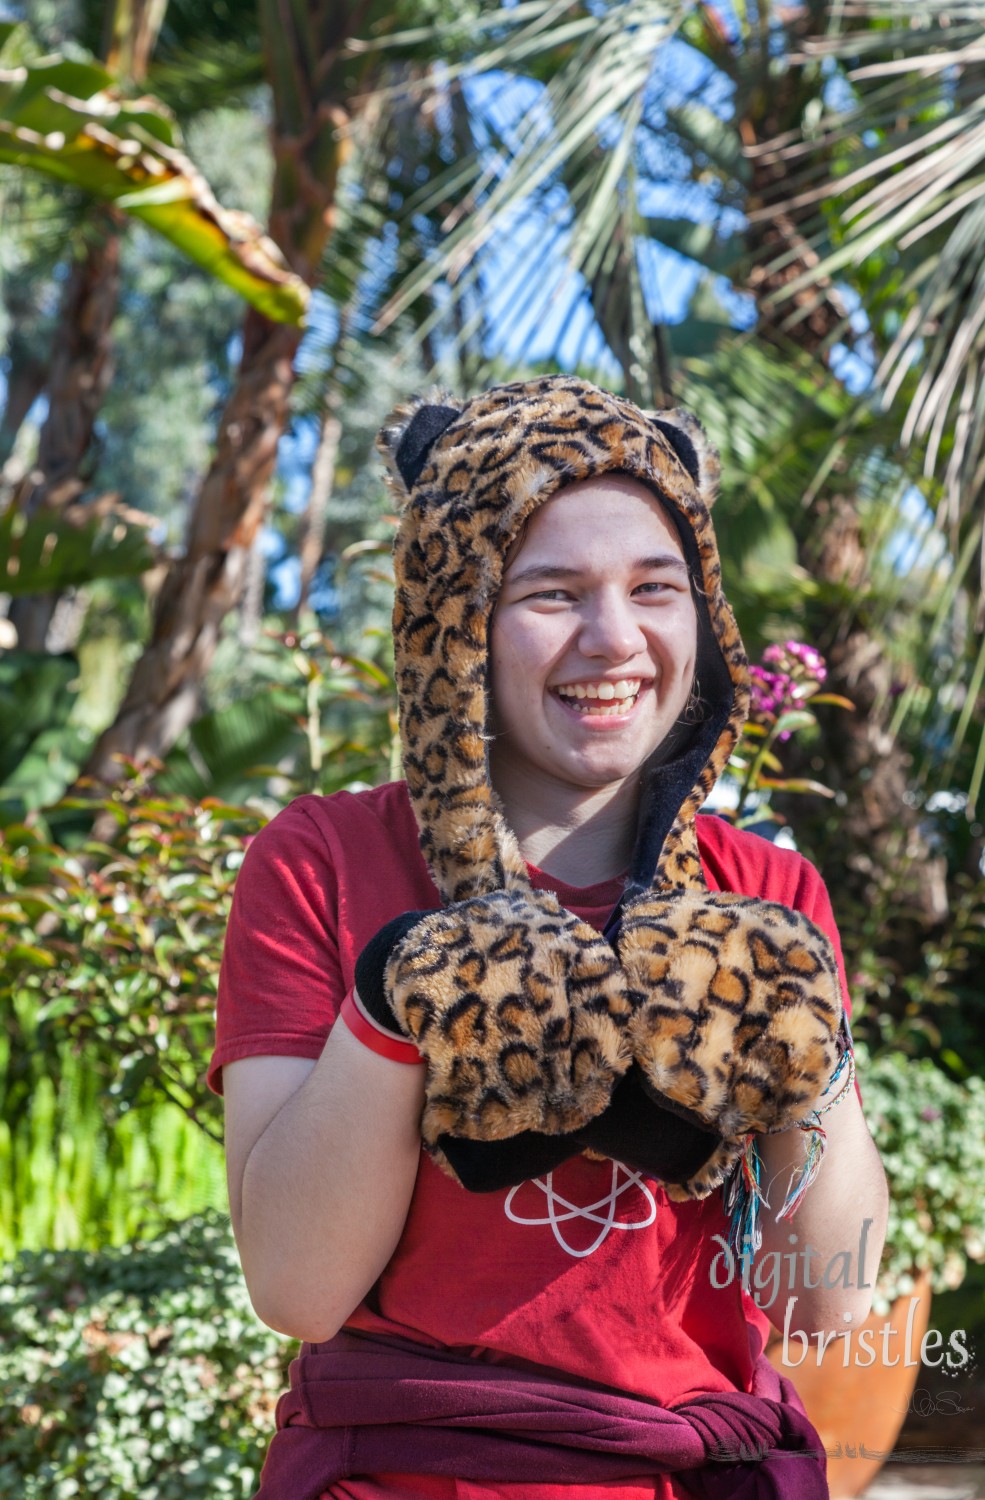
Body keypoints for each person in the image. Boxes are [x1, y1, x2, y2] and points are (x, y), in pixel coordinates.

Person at [210, 375, 888, 1500]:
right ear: (457, 617)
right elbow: (296, 1287)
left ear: (703, 613)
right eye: (551, 592)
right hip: (412, 1475)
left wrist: (807, 1060)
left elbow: (826, 1300)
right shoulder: (323, 860)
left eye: (654, 587)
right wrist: (394, 1004)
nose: (613, 638)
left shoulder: (766, 894)